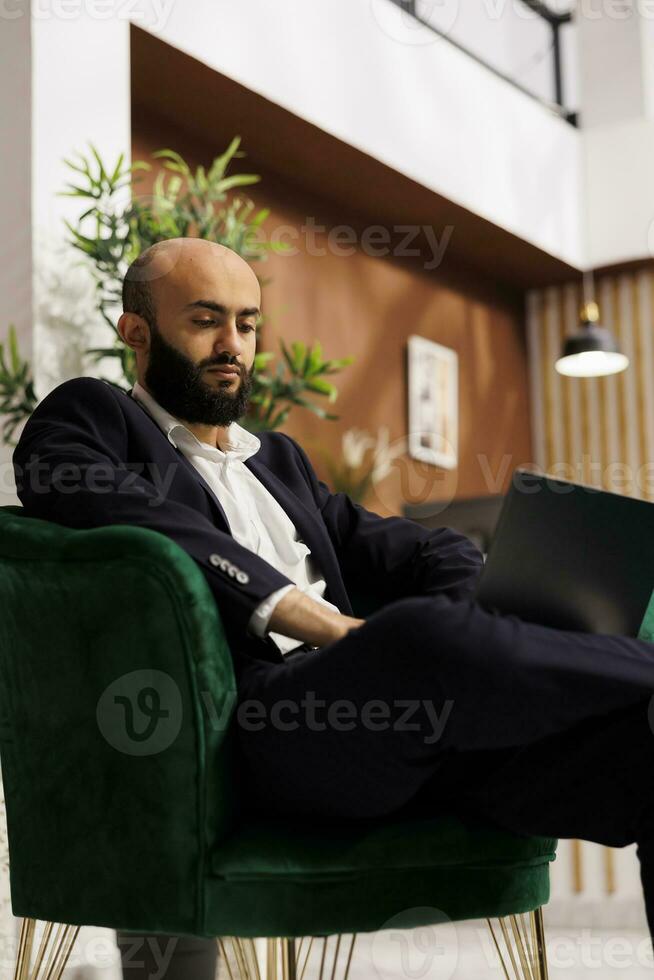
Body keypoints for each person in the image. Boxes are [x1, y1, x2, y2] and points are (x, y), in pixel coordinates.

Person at [12, 238, 654, 975]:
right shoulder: (95, 418)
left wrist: (459, 634)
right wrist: (316, 620)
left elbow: (424, 551)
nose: (233, 346)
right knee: (417, 636)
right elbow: (84, 490)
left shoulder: (278, 462)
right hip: (268, 730)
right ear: (137, 332)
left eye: (248, 324)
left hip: (406, 732)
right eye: (205, 321)